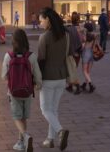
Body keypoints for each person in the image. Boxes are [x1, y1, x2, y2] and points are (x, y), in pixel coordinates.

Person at [1, 28, 43, 152]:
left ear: (13, 42)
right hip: (27, 91)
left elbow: (3, 75)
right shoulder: (31, 56)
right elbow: (38, 75)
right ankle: (21, 142)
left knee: (16, 116)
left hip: (13, 92)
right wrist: (38, 85)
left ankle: (25, 136)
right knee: (23, 117)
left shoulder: (8, 56)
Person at [36, 8, 70, 151]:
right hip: (62, 76)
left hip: (48, 78)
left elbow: (41, 61)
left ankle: (60, 131)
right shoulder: (65, 35)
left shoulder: (44, 37)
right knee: (53, 109)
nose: (40, 23)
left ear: (48, 20)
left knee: (45, 109)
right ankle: (50, 140)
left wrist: (37, 80)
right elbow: (68, 54)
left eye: (41, 20)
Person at [80, 23, 97, 92]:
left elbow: (83, 46)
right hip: (91, 53)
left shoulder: (85, 36)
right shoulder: (94, 35)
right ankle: (84, 84)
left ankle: (90, 84)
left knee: (84, 71)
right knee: (88, 71)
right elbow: (94, 46)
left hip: (86, 53)